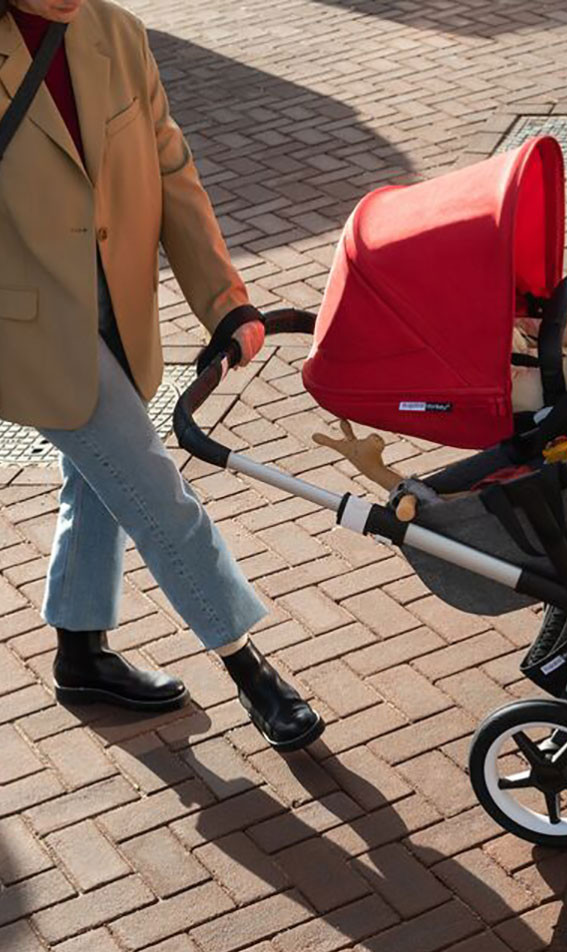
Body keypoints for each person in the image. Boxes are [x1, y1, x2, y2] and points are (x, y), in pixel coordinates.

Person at [0, 0, 323, 751]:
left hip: (119, 306)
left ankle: (81, 653)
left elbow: (172, 171)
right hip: (31, 327)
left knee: (99, 478)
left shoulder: (115, 31)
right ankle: (250, 669)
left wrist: (225, 304)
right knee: (152, 489)